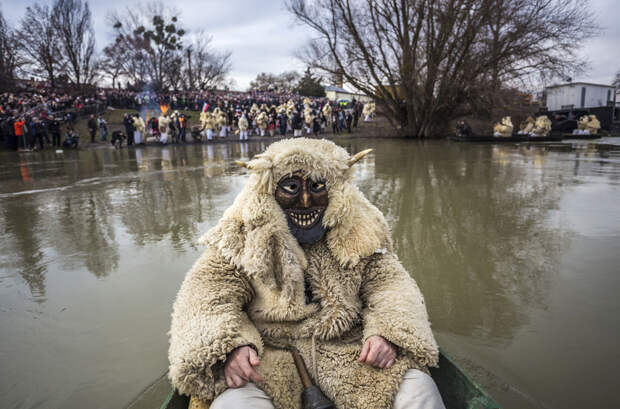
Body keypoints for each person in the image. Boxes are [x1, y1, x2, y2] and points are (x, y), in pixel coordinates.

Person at [169, 138, 445, 409]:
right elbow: (206, 297)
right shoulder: (240, 232)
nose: (304, 201)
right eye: (290, 187)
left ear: (335, 188)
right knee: (234, 403)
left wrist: (386, 334)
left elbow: (391, 286)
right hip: (267, 359)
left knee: (417, 390)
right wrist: (231, 348)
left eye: (316, 187)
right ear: (269, 189)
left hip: (351, 353)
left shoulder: (360, 230)